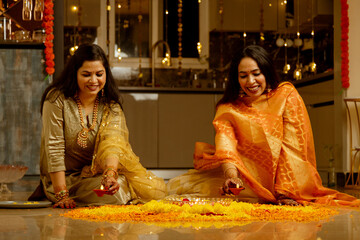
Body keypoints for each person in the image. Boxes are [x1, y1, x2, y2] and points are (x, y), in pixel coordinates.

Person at [167, 45, 360, 207]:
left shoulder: (286, 95)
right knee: (183, 190)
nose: (250, 82)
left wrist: (287, 192)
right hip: (247, 177)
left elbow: (294, 147)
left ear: (266, 71)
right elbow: (226, 147)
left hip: (287, 178)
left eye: (256, 73)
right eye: (243, 76)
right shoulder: (228, 108)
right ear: (236, 79)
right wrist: (232, 178)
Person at [29, 44, 166, 208]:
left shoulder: (110, 106)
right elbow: (54, 147)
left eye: (99, 74)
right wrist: (61, 195)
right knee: (118, 196)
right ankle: (56, 191)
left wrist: (109, 176)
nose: (94, 81)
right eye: (86, 74)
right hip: (63, 178)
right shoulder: (57, 100)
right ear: (75, 74)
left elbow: (113, 145)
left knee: (120, 187)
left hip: (95, 175)